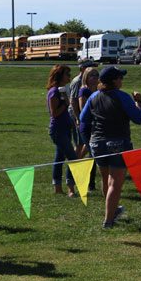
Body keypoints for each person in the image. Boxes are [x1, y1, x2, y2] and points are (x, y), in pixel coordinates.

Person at [79, 66, 141, 228]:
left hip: (97, 143)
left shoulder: (94, 96)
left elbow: (83, 118)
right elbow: (139, 118)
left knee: (106, 178)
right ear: (114, 81)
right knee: (115, 182)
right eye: (120, 78)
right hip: (118, 142)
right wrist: (138, 102)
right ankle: (108, 220)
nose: (122, 80)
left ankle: (112, 211)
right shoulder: (122, 97)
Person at [47, 65, 78, 197]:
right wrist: (65, 103)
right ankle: (71, 188)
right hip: (58, 130)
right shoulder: (54, 92)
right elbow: (54, 113)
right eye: (67, 74)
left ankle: (58, 187)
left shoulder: (62, 90)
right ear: (59, 76)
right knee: (73, 157)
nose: (69, 77)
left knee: (59, 158)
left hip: (65, 129)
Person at [76, 66, 100, 192]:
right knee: (93, 153)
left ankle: (78, 172)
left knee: (91, 153)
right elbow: (82, 110)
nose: (95, 78)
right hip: (86, 126)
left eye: (96, 75)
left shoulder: (99, 90)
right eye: (92, 75)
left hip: (97, 126)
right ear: (86, 77)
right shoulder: (83, 91)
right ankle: (90, 184)